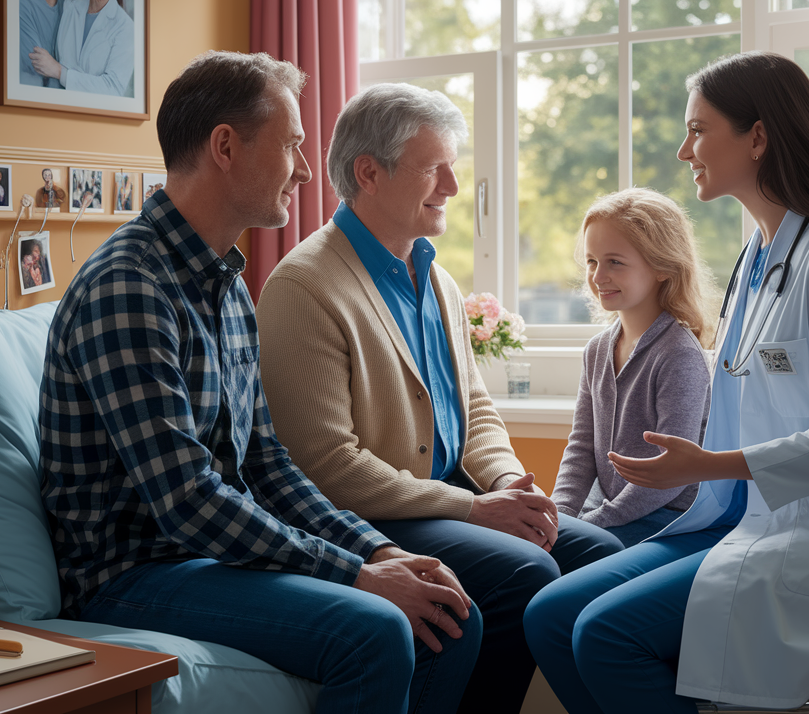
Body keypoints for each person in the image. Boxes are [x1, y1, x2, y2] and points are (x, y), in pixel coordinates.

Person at [39, 52, 481, 714]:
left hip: (208, 558)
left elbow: (267, 466)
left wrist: (382, 549)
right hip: (132, 573)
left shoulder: (226, 287)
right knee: (379, 629)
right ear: (225, 146)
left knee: (451, 616)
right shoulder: (130, 287)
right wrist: (359, 576)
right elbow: (187, 500)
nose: (306, 170)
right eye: (294, 145)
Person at [524, 52, 809, 713]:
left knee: (604, 634)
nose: (683, 150)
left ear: (757, 137)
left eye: (698, 130)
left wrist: (712, 463)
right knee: (549, 615)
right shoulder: (761, 257)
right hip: (738, 519)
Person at [256, 82, 623, 714]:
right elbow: (326, 465)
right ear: (369, 173)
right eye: (435, 169)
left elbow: (475, 409)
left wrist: (509, 485)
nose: (453, 186)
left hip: (448, 496)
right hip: (374, 514)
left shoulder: (436, 277)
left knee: (603, 556)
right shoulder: (304, 284)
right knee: (524, 573)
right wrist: (475, 511)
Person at [551, 188, 711, 547]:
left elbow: (671, 475)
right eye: (592, 261)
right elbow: (580, 448)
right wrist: (557, 518)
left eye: (615, 262)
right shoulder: (597, 351)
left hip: (667, 520)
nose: (598, 275)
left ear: (661, 267)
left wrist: (594, 523)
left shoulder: (678, 355)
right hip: (608, 511)